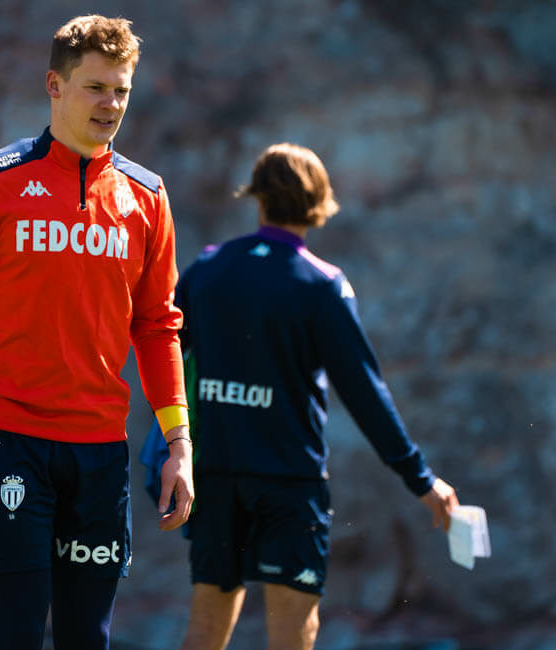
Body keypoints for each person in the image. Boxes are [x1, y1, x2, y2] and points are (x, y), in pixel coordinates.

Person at [0, 14, 193, 650]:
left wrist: (179, 444)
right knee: (17, 632)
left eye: (121, 90)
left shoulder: (148, 197)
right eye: (95, 87)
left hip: (100, 450)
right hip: (8, 441)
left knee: (88, 637)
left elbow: (157, 327)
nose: (111, 104)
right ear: (54, 85)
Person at [173, 143, 459, 650]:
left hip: (215, 474)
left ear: (257, 196)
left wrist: (174, 442)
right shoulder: (322, 285)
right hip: (288, 481)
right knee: (293, 637)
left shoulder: (210, 267)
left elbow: (164, 348)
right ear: (319, 202)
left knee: (204, 629)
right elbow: (364, 392)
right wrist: (420, 478)